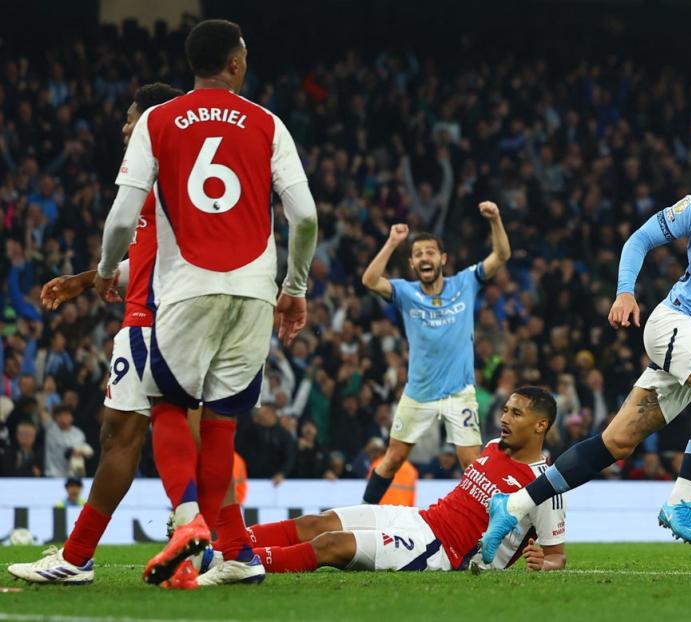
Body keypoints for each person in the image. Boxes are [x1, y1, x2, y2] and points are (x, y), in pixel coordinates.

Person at [481, 135, 691, 559]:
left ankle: (513, 504)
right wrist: (625, 292)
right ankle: (681, 498)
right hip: (673, 324)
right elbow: (639, 240)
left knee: (617, 443)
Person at [94, 19, 317, 586]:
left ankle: (190, 522)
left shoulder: (158, 121)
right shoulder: (269, 123)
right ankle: (232, 559)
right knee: (221, 424)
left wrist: (102, 269)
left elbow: (123, 216)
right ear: (236, 63)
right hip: (254, 289)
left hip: (188, 286)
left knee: (167, 405)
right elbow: (307, 216)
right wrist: (293, 289)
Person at [7, 83, 184, 587]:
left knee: (118, 437)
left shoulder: (148, 177)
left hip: (150, 323)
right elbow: (152, 259)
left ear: (152, 122)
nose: (125, 128)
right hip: (185, 322)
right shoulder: (181, 181)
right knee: (192, 439)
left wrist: (102, 269)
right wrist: (88, 280)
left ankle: (78, 555)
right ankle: (226, 547)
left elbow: (123, 232)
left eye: (131, 120)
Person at [202, 387, 565, 575]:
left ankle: (226, 563)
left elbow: (557, 557)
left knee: (332, 544)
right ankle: (221, 547)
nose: (504, 417)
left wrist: (541, 563)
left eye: (516, 413)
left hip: (442, 552)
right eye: (505, 409)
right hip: (421, 519)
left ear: (540, 425)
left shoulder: (545, 486)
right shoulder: (492, 448)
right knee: (316, 522)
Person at [359, 200, 510, 504]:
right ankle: (363, 512)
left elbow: (502, 255)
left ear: (443, 258)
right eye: (417, 255)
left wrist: (495, 219)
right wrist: (391, 242)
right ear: (412, 264)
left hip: (459, 393)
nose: (424, 258)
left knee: (472, 467)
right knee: (392, 459)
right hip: (418, 393)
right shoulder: (405, 292)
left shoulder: (465, 282)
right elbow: (369, 280)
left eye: (430, 252)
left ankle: (482, 529)